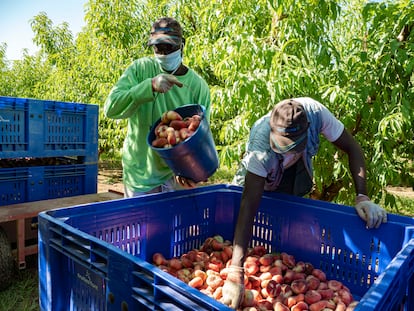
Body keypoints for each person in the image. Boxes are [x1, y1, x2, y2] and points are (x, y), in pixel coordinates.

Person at [222, 97, 388, 309]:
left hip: (294, 175)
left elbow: (353, 148)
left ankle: (277, 252)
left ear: (307, 131)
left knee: (285, 228)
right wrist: (236, 271)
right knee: (253, 223)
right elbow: (248, 205)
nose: (284, 151)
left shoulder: (317, 114)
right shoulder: (260, 147)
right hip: (262, 179)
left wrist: (362, 196)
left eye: (290, 147)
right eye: (280, 145)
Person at [104, 17, 211, 197]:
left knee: (173, 224)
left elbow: (199, 136)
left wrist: (192, 170)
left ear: (182, 45)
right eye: (157, 47)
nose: (163, 52)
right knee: (141, 225)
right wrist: (149, 86)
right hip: (141, 176)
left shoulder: (197, 86)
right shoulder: (140, 70)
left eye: (169, 47)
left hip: (176, 176)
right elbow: (111, 109)